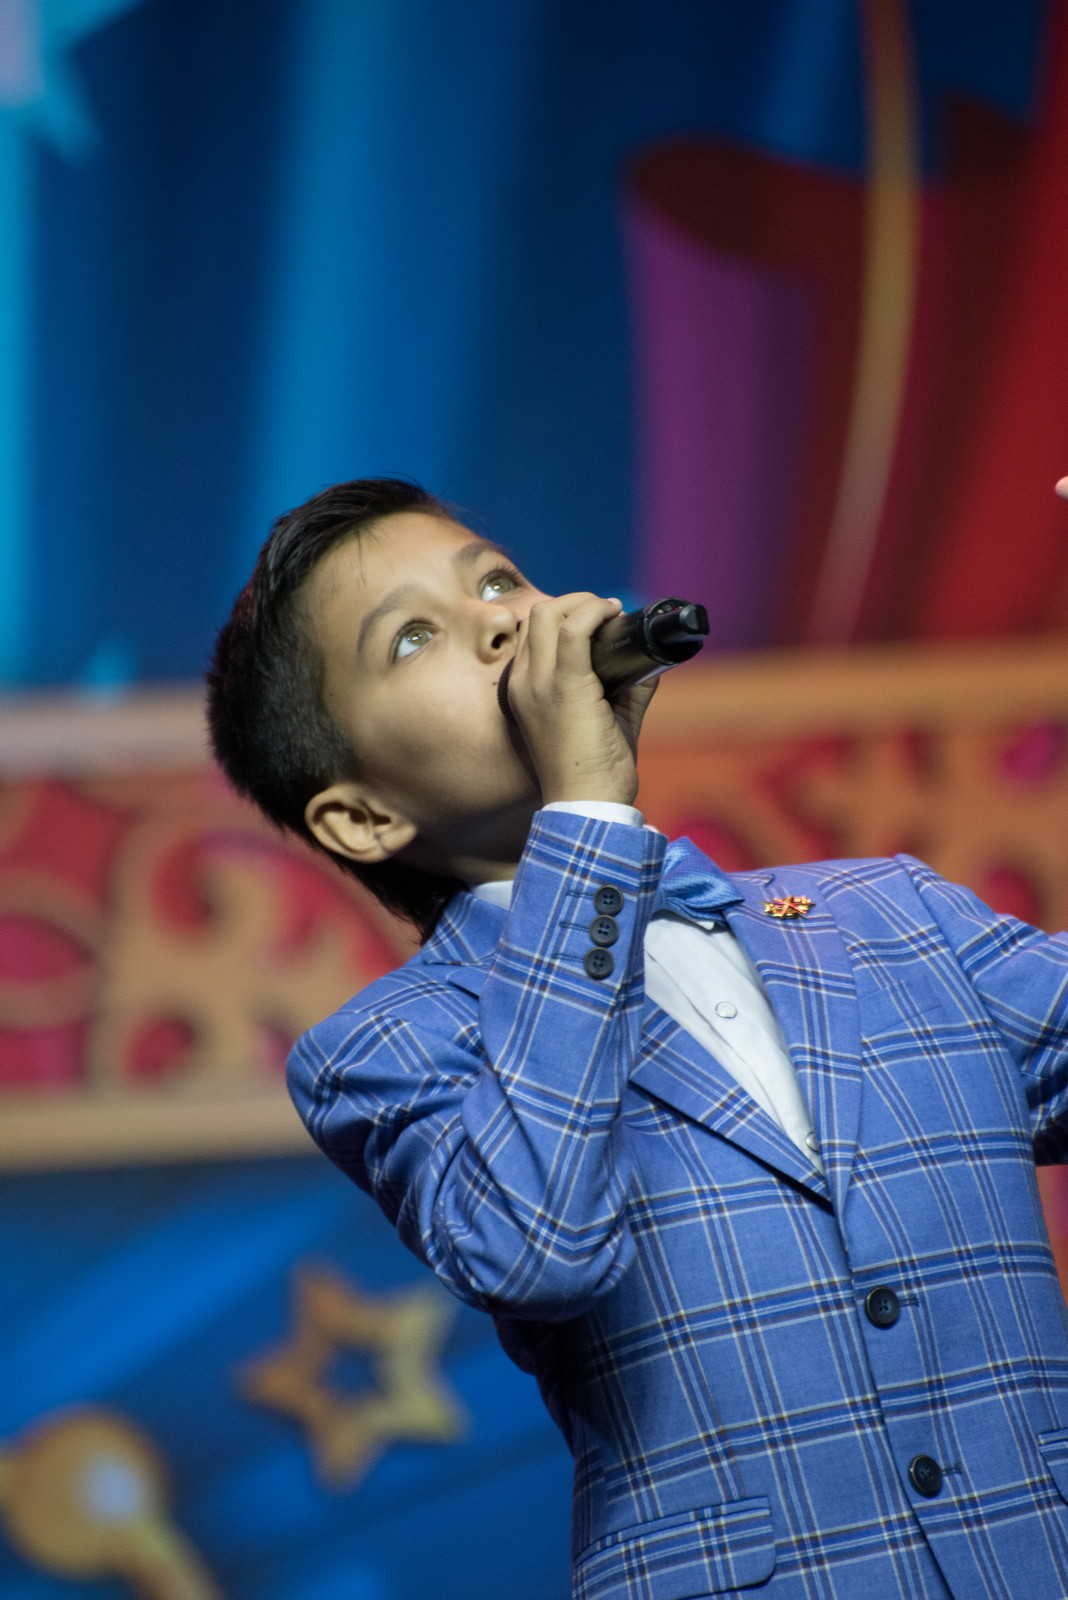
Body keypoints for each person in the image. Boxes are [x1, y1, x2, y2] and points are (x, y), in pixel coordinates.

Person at [208, 476, 1068, 1600]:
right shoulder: (387, 1047)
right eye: (413, 637)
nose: (502, 623)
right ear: (365, 816)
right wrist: (587, 811)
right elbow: (535, 1244)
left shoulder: (891, 913)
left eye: (498, 581)